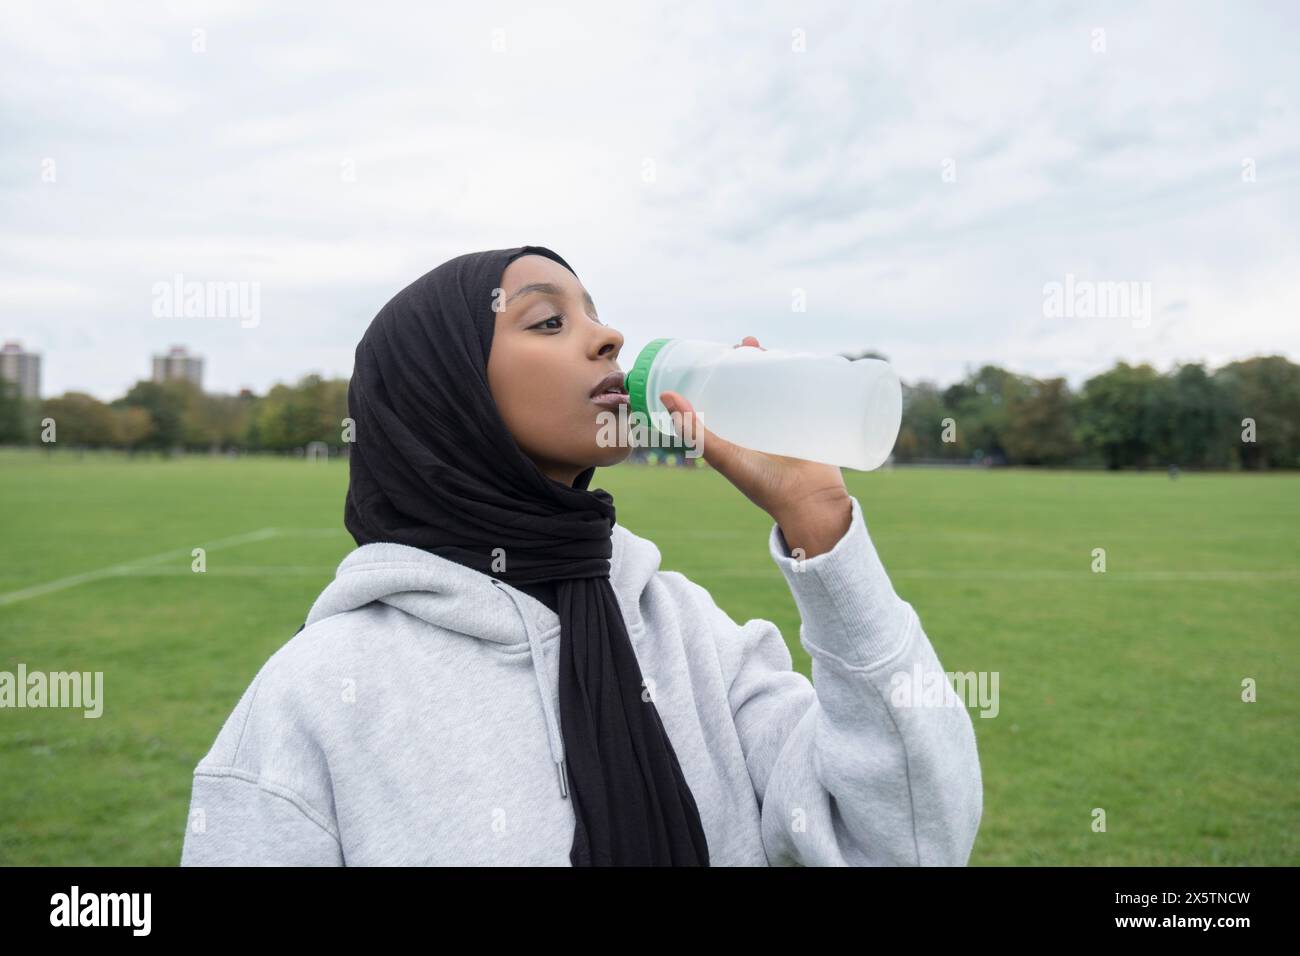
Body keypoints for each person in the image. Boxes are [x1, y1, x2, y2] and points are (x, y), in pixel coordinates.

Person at [179, 244, 983, 866]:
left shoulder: (686, 635)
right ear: (446, 395)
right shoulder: (316, 696)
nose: (610, 337)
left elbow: (909, 843)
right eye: (548, 321)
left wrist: (819, 516)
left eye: (594, 312)